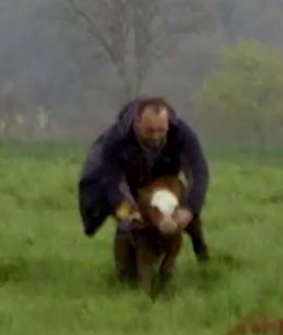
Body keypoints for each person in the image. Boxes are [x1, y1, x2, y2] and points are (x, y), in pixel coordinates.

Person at [78, 95, 210, 284]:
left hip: (165, 184)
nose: (156, 136)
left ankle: (203, 263)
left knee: (190, 218)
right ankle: (124, 277)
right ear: (136, 123)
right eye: (150, 131)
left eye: (161, 130)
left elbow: (199, 172)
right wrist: (128, 211)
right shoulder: (116, 140)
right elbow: (112, 181)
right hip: (127, 189)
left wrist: (189, 209)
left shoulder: (183, 134)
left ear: (168, 124)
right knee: (126, 225)